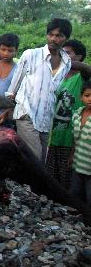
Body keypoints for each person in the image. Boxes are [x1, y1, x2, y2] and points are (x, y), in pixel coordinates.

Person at [6, 18, 74, 163]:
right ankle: (27, 185)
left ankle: (27, 185)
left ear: (66, 38)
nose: (53, 39)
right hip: (26, 113)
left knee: (42, 159)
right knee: (35, 158)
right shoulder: (31, 55)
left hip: (46, 118)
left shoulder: (67, 61)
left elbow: (54, 91)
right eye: (50, 34)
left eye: (58, 35)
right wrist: (8, 108)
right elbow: (13, 86)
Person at [46, 40, 88, 188]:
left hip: (70, 137)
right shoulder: (59, 76)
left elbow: (87, 69)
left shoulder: (83, 78)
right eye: (62, 52)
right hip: (53, 134)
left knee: (67, 178)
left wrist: (63, 60)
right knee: (51, 175)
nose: (63, 55)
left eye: (68, 53)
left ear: (80, 56)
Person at [70, 80, 91, 206]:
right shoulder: (77, 114)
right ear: (81, 97)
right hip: (78, 162)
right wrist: (72, 155)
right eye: (87, 95)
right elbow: (75, 138)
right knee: (74, 193)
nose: (90, 99)